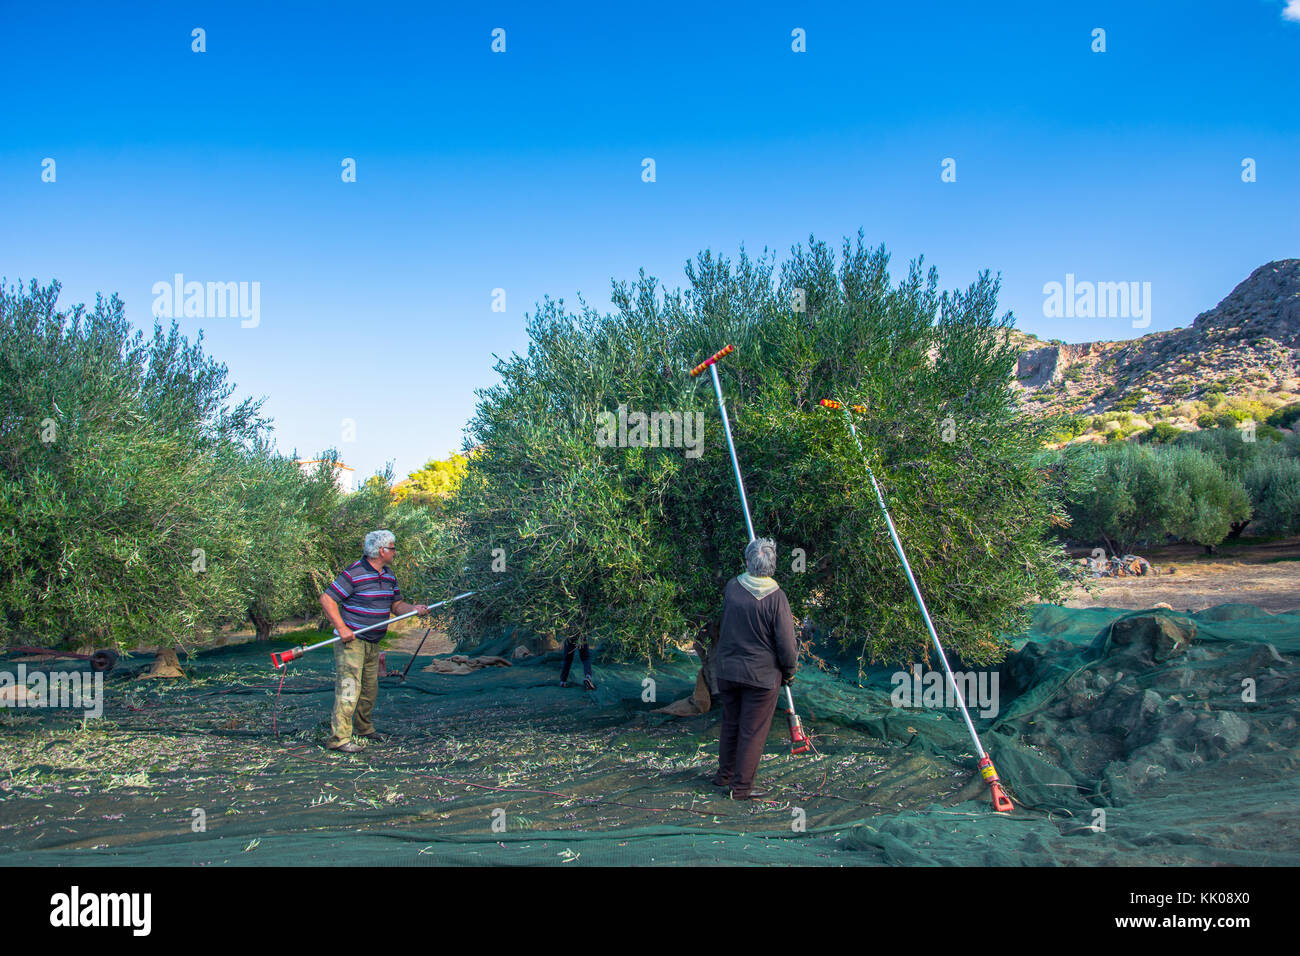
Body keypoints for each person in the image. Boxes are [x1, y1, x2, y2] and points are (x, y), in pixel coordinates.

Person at [320, 530, 428, 752]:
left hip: (373, 641)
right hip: (352, 641)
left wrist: (414, 610)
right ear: (382, 551)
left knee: (370, 689)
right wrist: (342, 628)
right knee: (349, 687)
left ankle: (363, 729)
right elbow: (327, 598)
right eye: (393, 548)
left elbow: (396, 606)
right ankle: (339, 738)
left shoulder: (388, 575)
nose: (395, 552)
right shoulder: (354, 573)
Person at [712, 537, 798, 800]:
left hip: (728, 670)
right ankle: (740, 788)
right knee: (752, 731)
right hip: (761, 677)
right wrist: (789, 671)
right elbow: (786, 643)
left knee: (731, 723)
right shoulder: (777, 598)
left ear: (748, 561)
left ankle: (723, 775)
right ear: (772, 565)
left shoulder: (732, 589)